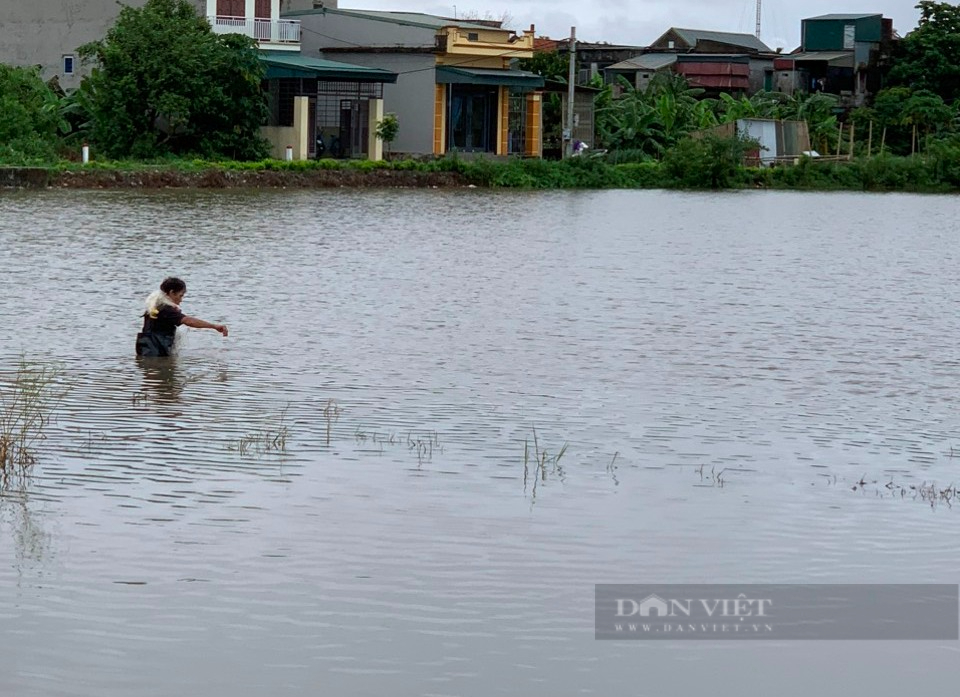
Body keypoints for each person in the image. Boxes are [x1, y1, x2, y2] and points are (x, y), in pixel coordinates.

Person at [135, 277, 228, 357]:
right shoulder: (167, 309)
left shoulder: (155, 306)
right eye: (180, 295)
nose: (181, 300)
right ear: (172, 293)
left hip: (146, 348)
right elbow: (189, 321)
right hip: (155, 351)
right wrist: (214, 326)